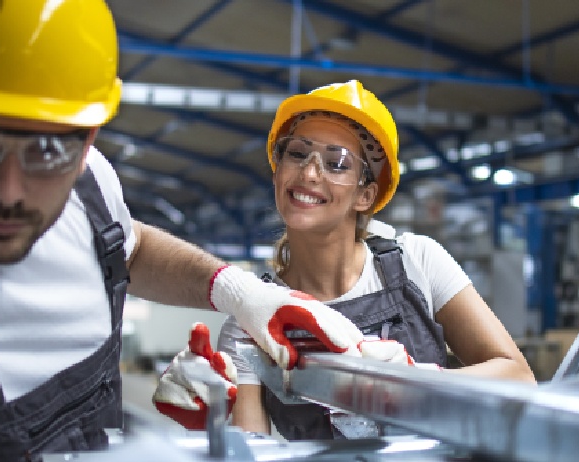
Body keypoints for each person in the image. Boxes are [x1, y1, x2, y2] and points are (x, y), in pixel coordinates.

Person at [0, 2, 367, 461]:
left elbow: (129, 246)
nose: (9, 190)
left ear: (88, 144)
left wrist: (240, 293)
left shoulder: (89, 185)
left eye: (47, 150)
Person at [152, 80, 536, 440]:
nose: (308, 172)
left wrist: (414, 382)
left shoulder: (418, 262)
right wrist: (218, 422)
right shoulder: (253, 319)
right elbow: (254, 451)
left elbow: (518, 378)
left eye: (336, 162)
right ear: (276, 174)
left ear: (364, 196)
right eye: (297, 153)